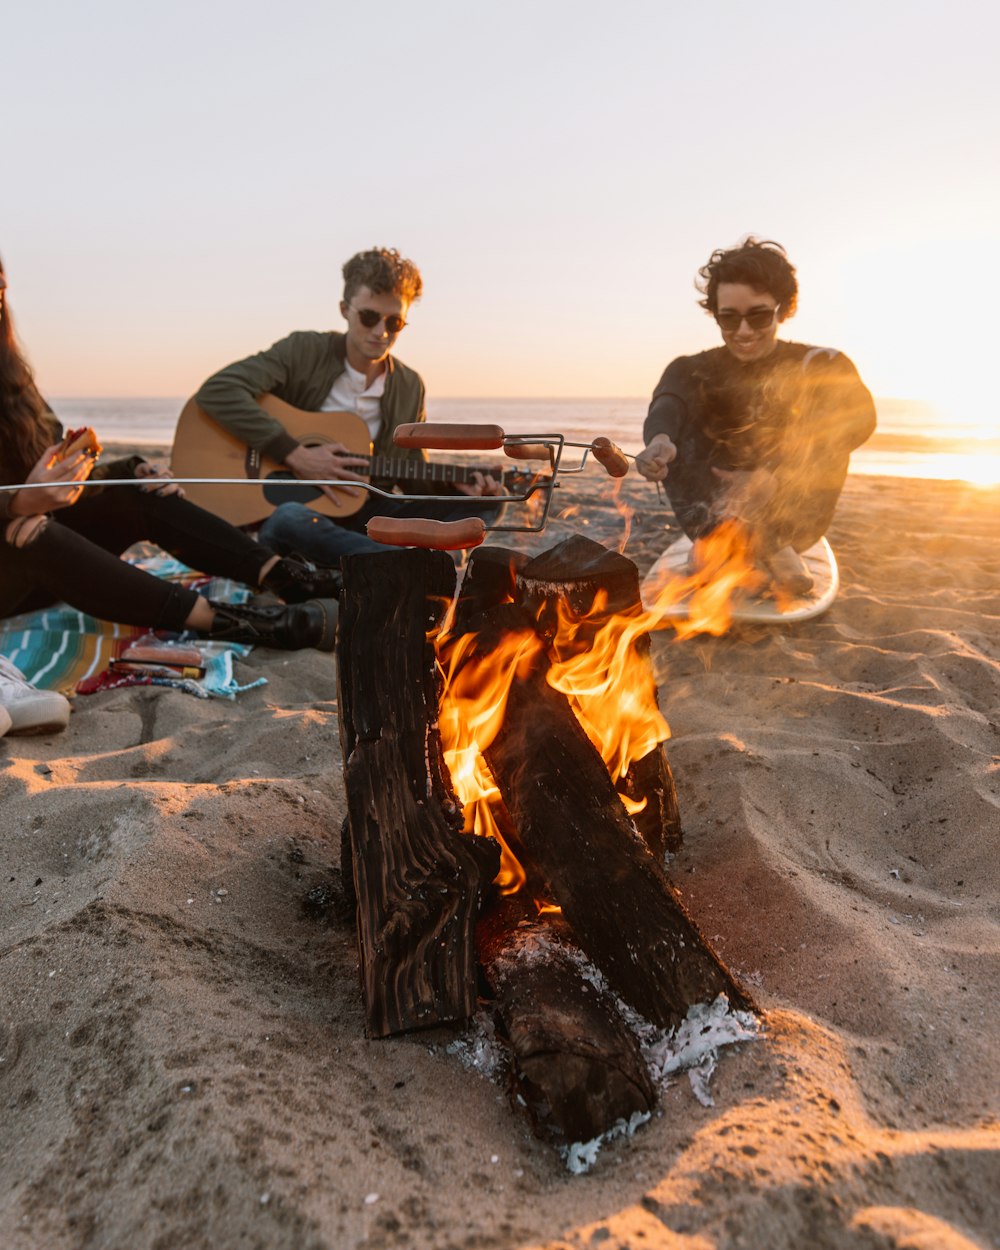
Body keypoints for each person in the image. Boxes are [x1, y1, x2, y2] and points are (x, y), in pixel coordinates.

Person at [0, 254, 344, 702]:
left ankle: (285, 578)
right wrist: (16, 504)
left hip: (44, 561)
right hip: (18, 556)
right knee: (31, 530)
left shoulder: (10, 377)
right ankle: (248, 624)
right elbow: (24, 501)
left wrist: (128, 470)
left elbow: (47, 463)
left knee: (140, 491)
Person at [194, 246, 502, 564]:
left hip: (368, 515)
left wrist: (454, 486)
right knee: (290, 521)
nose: (380, 332)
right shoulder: (303, 350)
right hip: (294, 513)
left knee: (484, 509)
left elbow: (411, 478)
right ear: (344, 309)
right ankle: (409, 565)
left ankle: (392, 563)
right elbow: (220, 390)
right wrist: (295, 454)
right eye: (369, 317)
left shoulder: (409, 385)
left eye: (394, 323)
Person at [635, 237, 876, 593]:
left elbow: (860, 421)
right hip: (711, 511)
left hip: (792, 514)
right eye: (728, 318)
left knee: (834, 403)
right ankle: (720, 545)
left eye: (758, 315)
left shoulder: (820, 363)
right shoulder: (690, 369)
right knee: (684, 383)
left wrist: (775, 475)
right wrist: (659, 441)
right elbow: (668, 403)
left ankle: (773, 545)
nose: (743, 331)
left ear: (783, 309)